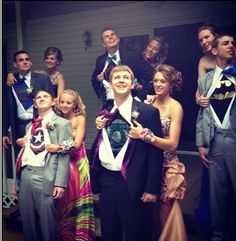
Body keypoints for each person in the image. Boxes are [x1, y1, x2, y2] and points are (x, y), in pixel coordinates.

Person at [90, 65, 164, 241]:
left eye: (126, 77)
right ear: (110, 84)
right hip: (107, 180)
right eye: (117, 78)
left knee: (137, 233)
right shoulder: (106, 110)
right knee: (109, 232)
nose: (121, 80)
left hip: (134, 183)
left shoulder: (148, 112)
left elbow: (155, 154)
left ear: (132, 84)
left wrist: (151, 189)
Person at [125, 64, 187, 241]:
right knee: (147, 210)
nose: (158, 84)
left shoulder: (175, 107)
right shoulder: (148, 102)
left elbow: (173, 144)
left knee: (164, 210)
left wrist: (144, 135)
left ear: (171, 84)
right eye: (156, 81)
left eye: (163, 81)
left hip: (167, 164)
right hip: (147, 162)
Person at [15, 89, 72, 241]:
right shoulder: (30, 126)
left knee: (47, 220)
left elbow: (64, 154)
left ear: (53, 102)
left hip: (46, 174)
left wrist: (60, 183)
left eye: (45, 96)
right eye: (38, 97)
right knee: (27, 219)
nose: (40, 99)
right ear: (34, 103)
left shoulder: (62, 124)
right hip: (26, 172)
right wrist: (18, 179)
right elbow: (26, 151)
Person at [196, 34, 236, 241]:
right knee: (217, 192)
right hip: (215, 140)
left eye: (233, 43)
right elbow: (202, 113)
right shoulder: (205, 80)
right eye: (226, 43)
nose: (231, 46)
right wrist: (201, 143)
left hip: (235, 138)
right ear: (214, 50)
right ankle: (218, 233)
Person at [45, 89, 95, 241]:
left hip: (77, 162)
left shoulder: (80, 118)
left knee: (77, 198)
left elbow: (77, 144)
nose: (65, 105)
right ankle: (64, 235)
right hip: (61, 163)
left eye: (69, 102)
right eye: (62, 102)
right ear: (58, 103)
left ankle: (79, 237)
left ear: (75, 104)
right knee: (62, 199)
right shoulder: (55, 118)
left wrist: (58, 147)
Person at [2, 50, 55, 157]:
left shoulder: (42, 79)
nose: (25, 62)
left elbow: (52, 103)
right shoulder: (10, 81)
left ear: (31, 62)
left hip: (40, 124)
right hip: (19, 127)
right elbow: (6, 108)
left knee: (41, 158)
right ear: (15, 64)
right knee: (21, 159)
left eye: (27, 59)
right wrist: (3, 132)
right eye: (21, 60)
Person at [91, 27, 154, 108]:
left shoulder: (133, 56)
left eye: (112, 34)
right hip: (109, 105)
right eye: (106, 36)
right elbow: (94, 80)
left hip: (132, 104)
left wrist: (139, 98)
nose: (110, 37)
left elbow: (151, 76)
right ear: (104, 44)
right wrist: (102, 97)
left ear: (118, 39)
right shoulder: (100, 60)